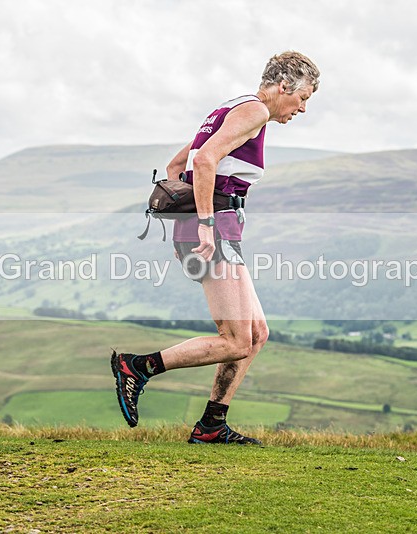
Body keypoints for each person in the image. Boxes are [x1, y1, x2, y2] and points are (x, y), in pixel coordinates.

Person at [112, 51, 320, 445]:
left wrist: (184, 228)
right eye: (303, 98)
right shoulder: (254, 111)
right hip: (215, 232)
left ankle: (211, 424)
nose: (303, 108)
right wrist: (204, 227)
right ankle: (136, 367)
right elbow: (204, 160)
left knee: (257, 333)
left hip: (215, 230)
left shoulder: (230, 107)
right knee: (236, 340)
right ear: (283, 86)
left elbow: (177, 165)